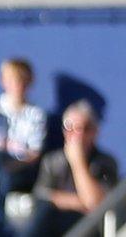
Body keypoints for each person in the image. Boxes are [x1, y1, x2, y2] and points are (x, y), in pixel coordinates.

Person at [0, 58, 47, 234]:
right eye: (12, 79)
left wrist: (10, 165)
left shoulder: (36, 114)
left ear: (29, 82)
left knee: (1, 168)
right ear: (3, 81)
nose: (17, 85)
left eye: (21, 79)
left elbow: (34, 153)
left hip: (21, 168)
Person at [20, 100, 118, 237]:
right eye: (69, 127)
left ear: (94, 132)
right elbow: (42, 197)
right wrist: (79, 201)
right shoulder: (52, 161)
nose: (76, 135)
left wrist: (77, 162)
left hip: (91, 227)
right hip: (56, 222)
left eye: (83, 128)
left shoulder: (105, 162)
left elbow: (97, 205)